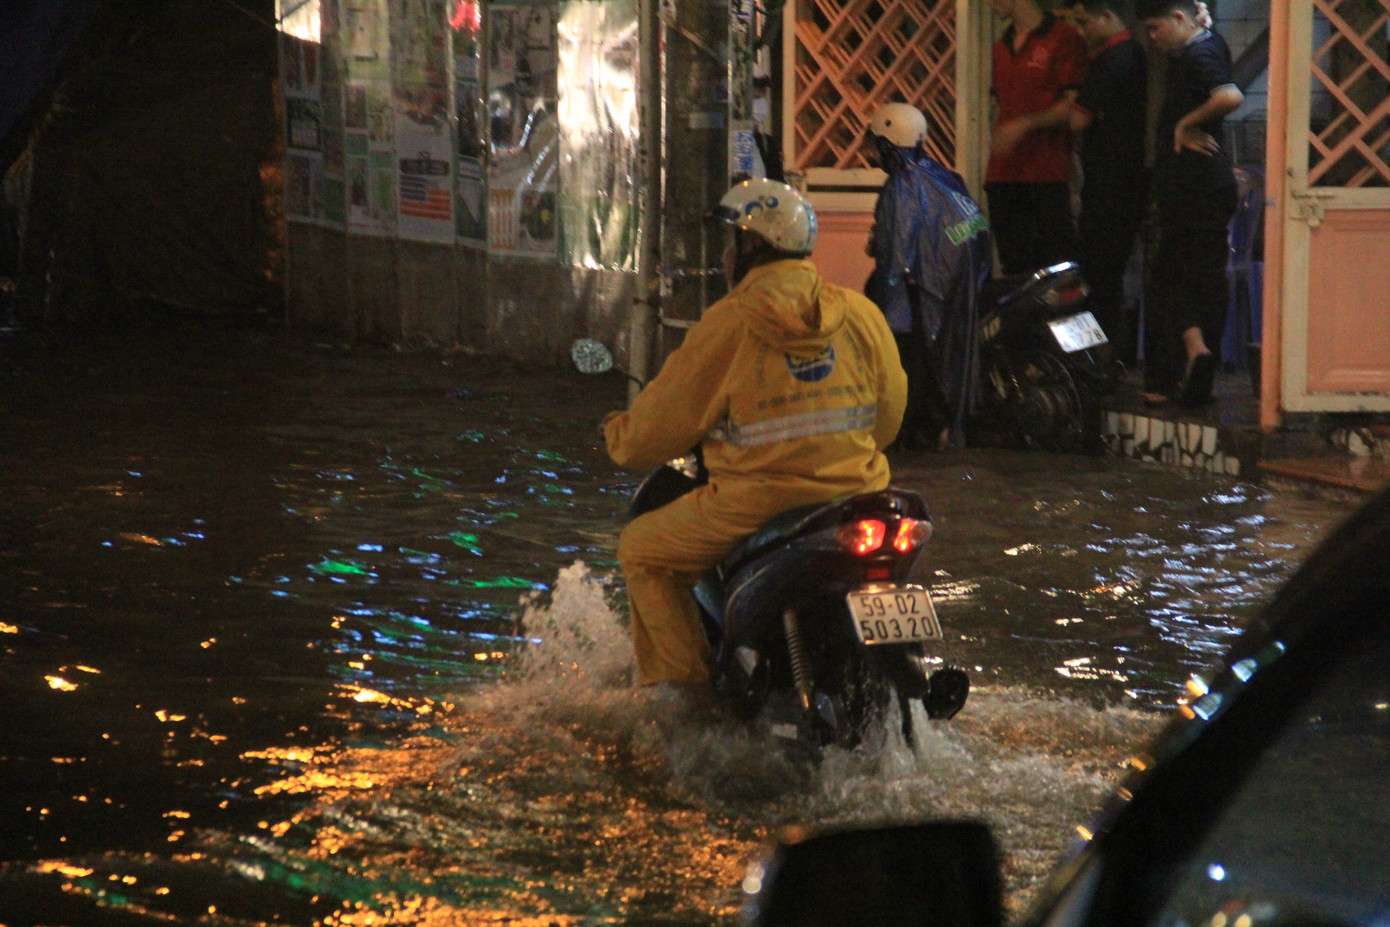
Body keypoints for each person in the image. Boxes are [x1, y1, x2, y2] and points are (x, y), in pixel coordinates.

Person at [603, 178, 907, 703]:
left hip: (756, 505)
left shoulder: (731, 323)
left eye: (730, 241)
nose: (724, 255)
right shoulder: (859, 314)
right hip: (856, 497)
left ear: (750, 247)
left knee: (643, 551)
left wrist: (618, 436)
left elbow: (658, 430)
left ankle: (691, 699)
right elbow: (890, 419)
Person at [864, 102, 992, 449]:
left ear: (888, 143)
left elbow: (896, 256)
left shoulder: (902, 187)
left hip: (924, 292)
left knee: (914, 361)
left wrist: (891, 309)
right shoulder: (945, 177)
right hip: (961, 287)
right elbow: (975, 226)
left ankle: (915, 429)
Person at [1135, 0, 1242, 407]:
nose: (1152, 37)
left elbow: (1230, 96)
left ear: (1179, 19)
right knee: (1198, 279)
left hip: (1195, 189)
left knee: (1170, 278)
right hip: (1199, 188)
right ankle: (1197, 363)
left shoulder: (1200, 53)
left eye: (1155, 28)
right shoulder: (1204, 45)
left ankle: (1184, 364)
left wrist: (1185, 123)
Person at [1067, 0, 1149, 366]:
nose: (1081, 32)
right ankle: (1105, 355)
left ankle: (1095, 358)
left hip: (1108, 183)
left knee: (1097, 274)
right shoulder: (1135, 55)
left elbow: (1076, 121)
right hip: (1124, 180)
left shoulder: (1111, 60)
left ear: (1107, 17)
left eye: (1085, 23)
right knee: (1110, 273)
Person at [983, 0, 1089, 276]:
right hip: (1003, 174)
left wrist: (1026, 124)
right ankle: (1020, 320)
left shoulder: (1063, 38)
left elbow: (1074, 103)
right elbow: (1000, 103)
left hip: (1047, 170)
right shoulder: (1000, 46)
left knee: (1056, 267)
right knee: (1013, 265)